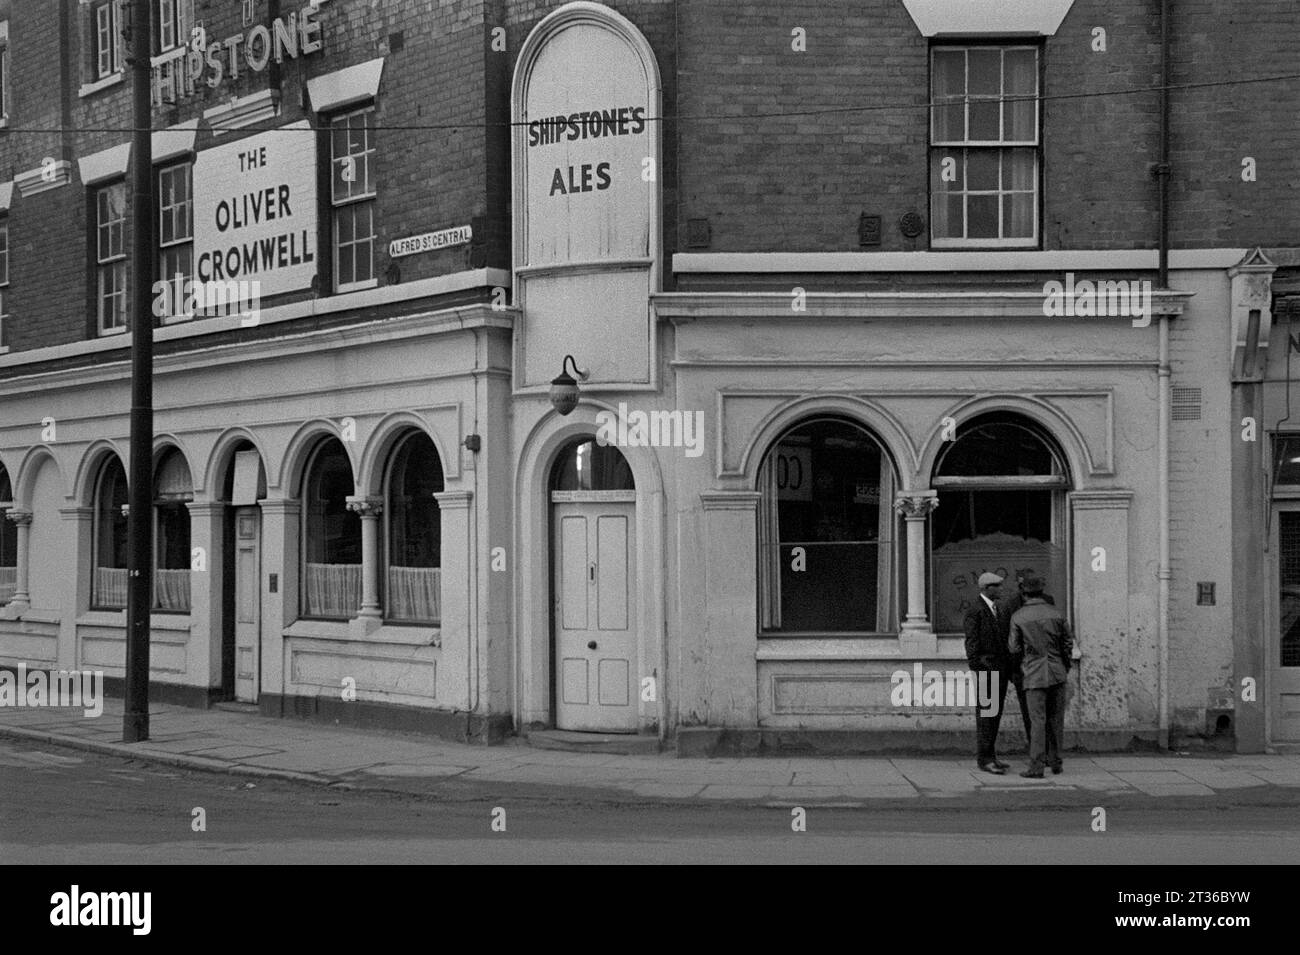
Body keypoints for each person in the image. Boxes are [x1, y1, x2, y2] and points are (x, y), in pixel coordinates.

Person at [1008, 576, 1074, 778]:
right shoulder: (1056, 613)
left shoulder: (1018, 617)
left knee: (1037, 721)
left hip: (1033, 673)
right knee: (1056, 720)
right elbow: (1067, 644)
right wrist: (1064, 666)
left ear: (1023, 592)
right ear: (1041, 591)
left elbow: (1013, 647)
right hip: (1057, 671)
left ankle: (1036, 765)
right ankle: (1056, 761)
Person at [964, 571, 1011, 774]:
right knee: (986, 717)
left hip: (999, 671)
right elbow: (971, 644)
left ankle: (991, 756)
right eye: (997, 586)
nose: (1001, 589)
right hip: (987, 671)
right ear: (986, 588)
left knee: (994, 715)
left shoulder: (996, 609)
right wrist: (980, 668)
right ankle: (985, 759)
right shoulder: (976, 610)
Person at [1000, 577, 1055, 750]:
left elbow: (1011, 644)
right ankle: (1042, 751)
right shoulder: (1011, 605)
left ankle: (1042, 752)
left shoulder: (1045, 603)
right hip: (1027, 669)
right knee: (1034, 714)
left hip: (1035, 667)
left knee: (1040, 714)